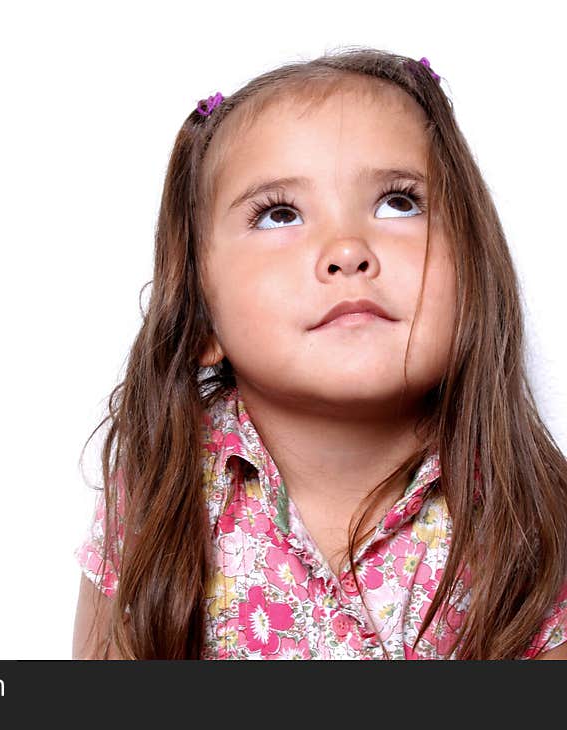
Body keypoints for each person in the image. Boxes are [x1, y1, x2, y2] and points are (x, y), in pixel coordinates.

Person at [71, 47, 567, 660]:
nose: (348, 249)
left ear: (473, 270)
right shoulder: (158, 488)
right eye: (279, 214)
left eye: (399, 202)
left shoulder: (527, 512)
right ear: (201, 317)